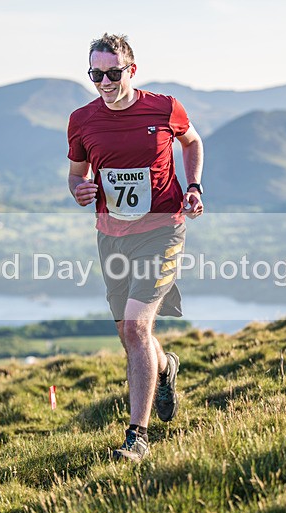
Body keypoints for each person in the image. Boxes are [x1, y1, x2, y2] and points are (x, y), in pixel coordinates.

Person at [67, 33, 204, 461]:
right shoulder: (82, 119)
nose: (104, 82)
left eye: (112, 72)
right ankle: (165, 367)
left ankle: (137, 436)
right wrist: (79, 190)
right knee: (128, 335)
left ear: (132, 70)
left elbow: (193, 142)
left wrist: (194, 186)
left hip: (163, 230)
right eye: (96, 74)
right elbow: (76, 173)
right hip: (111, 236)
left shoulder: (163, 108)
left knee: (136, 327)